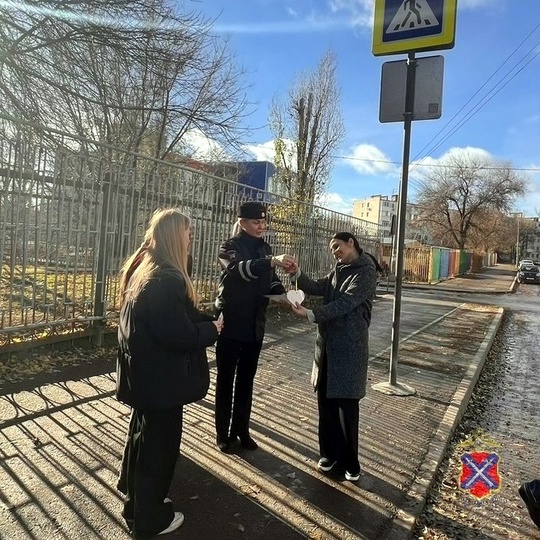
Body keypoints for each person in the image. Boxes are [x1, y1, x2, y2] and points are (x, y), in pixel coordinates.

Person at [116, 208, 222, 538]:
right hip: (160, 382)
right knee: (158, 450)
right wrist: (213, 330)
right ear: (176, 236)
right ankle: (150, 518)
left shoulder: (146, 271)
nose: (192, 238)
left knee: (142, 438)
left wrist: (206, 319)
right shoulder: (167, 279)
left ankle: (135, 503)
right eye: (188, 232)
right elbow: (179, 334)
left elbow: (181, 315)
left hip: (145, 378)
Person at [285, 232, 376, 482]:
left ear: (351, 243)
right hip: (326, 346)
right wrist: (296, 273)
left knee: (346, 407)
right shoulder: (339, 269)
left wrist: (309, 314)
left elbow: (344, 304)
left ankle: (351, 464)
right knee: (325, 403)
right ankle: (329, 455)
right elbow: (316, 287)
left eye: (338, 247)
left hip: (349, 348)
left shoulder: (366, 271)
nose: (335, 252)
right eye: (332, 249)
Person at [214, 201, 295, 453]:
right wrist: (272, 262)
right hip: (230, 322)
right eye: (256, 222)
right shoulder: (229, 247)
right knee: (226, 379)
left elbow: (269, 281)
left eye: (263, 222)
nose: (262, 226)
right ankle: (222, 434)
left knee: (246, 381)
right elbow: (240, 272)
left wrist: (284, 296)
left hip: (254, 324)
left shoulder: (265, 248)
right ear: (242, 222)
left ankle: (242, 429)